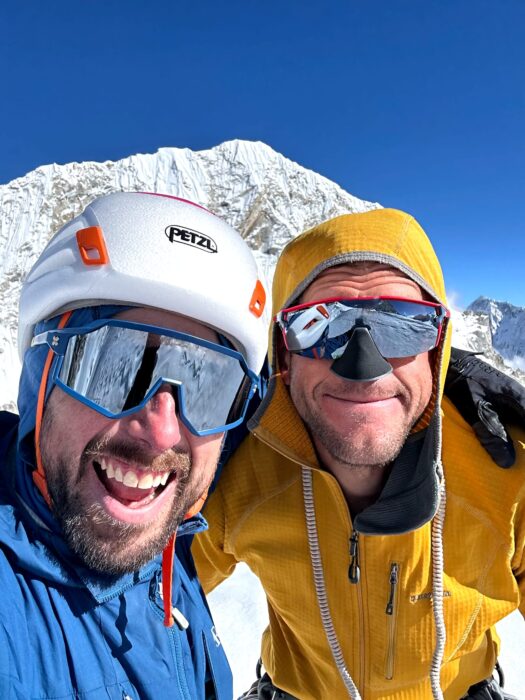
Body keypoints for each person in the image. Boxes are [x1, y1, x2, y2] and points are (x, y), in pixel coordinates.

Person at [192, 208, 525, 700]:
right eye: (320, 325)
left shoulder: (504, 472)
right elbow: (130, 597)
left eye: (404, 325)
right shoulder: (237, 473)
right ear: (282, 353)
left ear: (438, 348)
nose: (363, 366)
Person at [0, 191, 269, 699]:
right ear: (41, 379)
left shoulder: (167, 551)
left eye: (208, 387)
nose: (164, 433)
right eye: (115, 367)